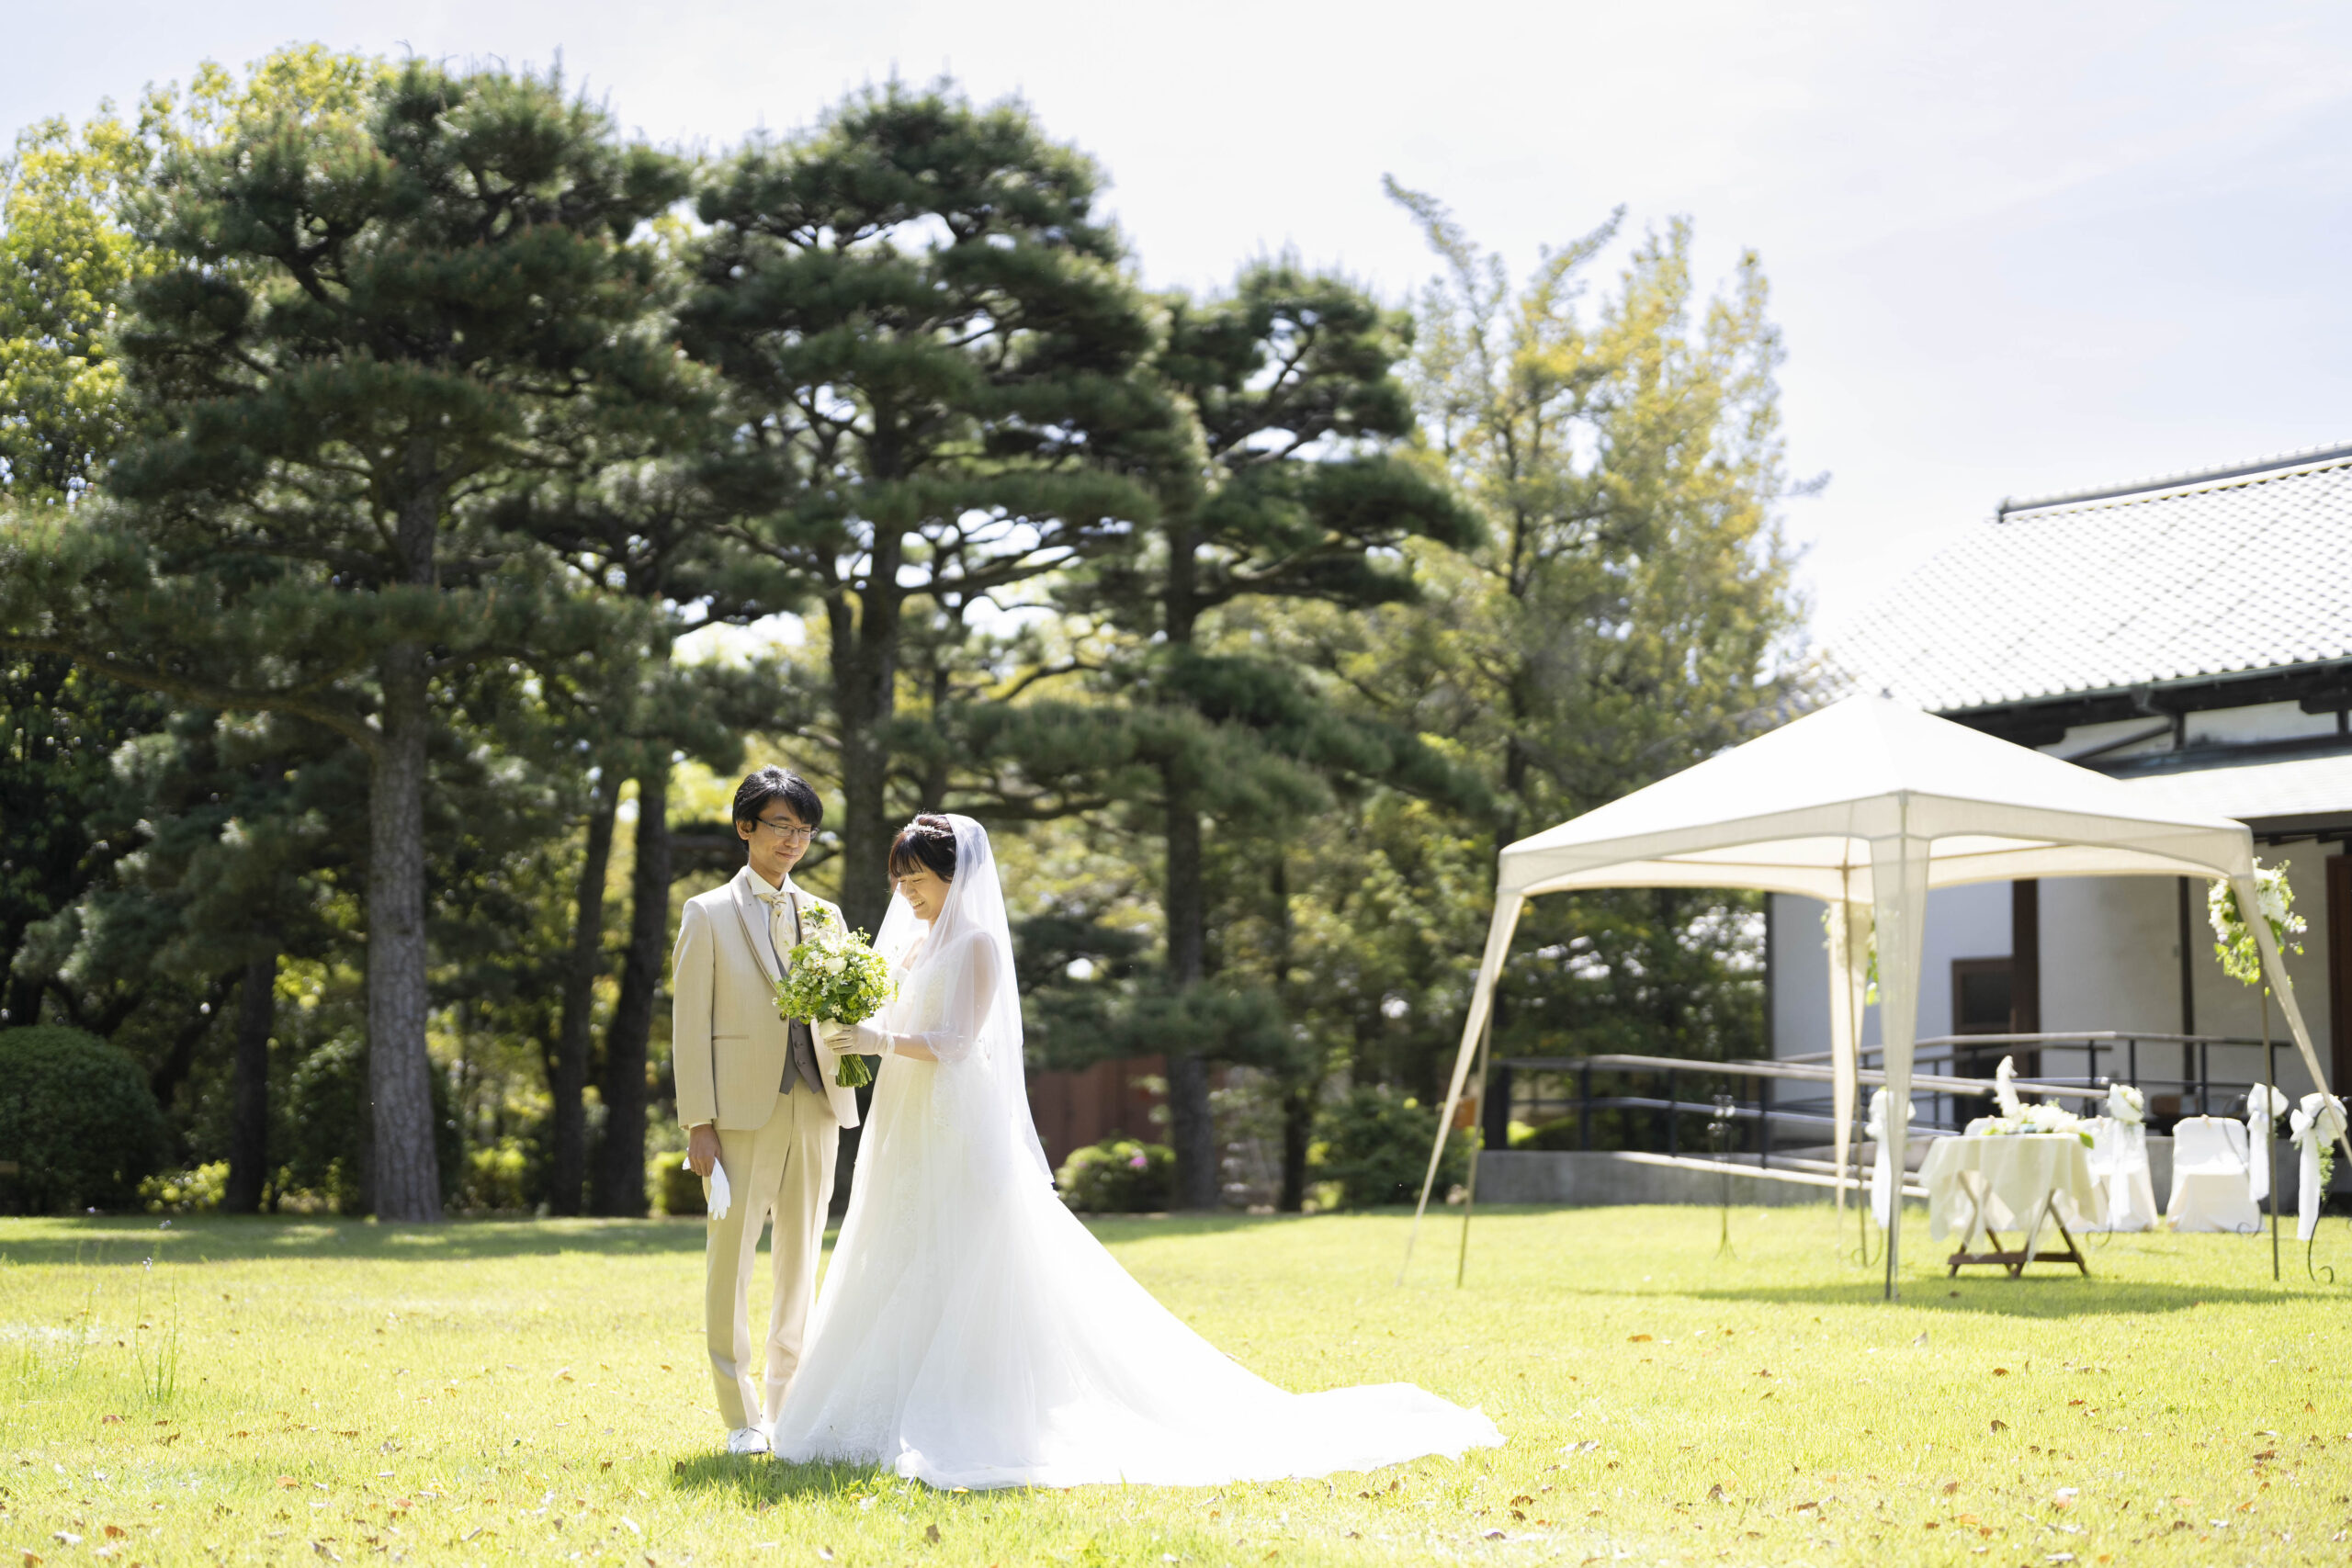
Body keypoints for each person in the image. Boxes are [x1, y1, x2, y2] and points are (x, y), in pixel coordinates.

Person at [767, 813, 1501, 1487]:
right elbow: (896, 1008)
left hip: (956, 1120)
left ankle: (976, 1404)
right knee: (901, 1245)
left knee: (970, 1255)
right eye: (900, 880)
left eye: (916, 879)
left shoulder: (978, 946)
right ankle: (879, 1402)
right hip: (907, 1119)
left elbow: (958, 1044)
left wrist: (878, 1040)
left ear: (953, 876)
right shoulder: (915, 942)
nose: (906, 893)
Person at [672, 767, 863, 1456]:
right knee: (731, 1266)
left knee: (799, 1261)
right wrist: (699, 1122)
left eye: (804, 828)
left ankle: (786, 1407)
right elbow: (689, 1028)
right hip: (737, 1117)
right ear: (746, 826)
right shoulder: (707, 913)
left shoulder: (826, 915)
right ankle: (740, 1415)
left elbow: (843, 1011)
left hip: (816, 1104)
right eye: (781, 824)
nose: (794, 839)